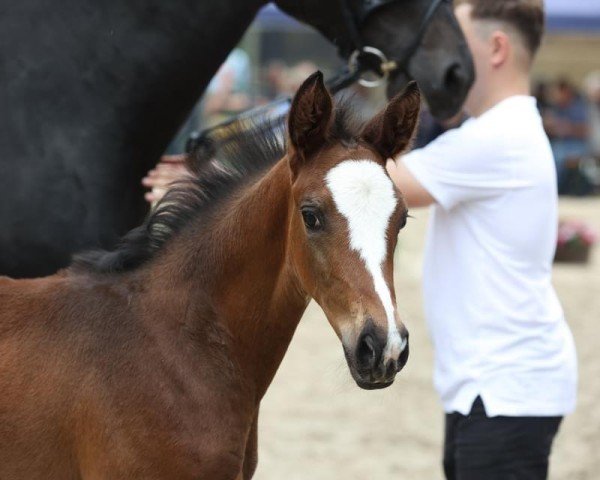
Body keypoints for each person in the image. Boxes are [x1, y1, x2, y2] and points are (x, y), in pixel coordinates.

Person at [385, 1, 577, 479]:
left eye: (457, 42)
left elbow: (377, 184)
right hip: (493, 388)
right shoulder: (498, 130)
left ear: (496, 48)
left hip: (505, 390)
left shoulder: (499, 136)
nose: (443, 56)